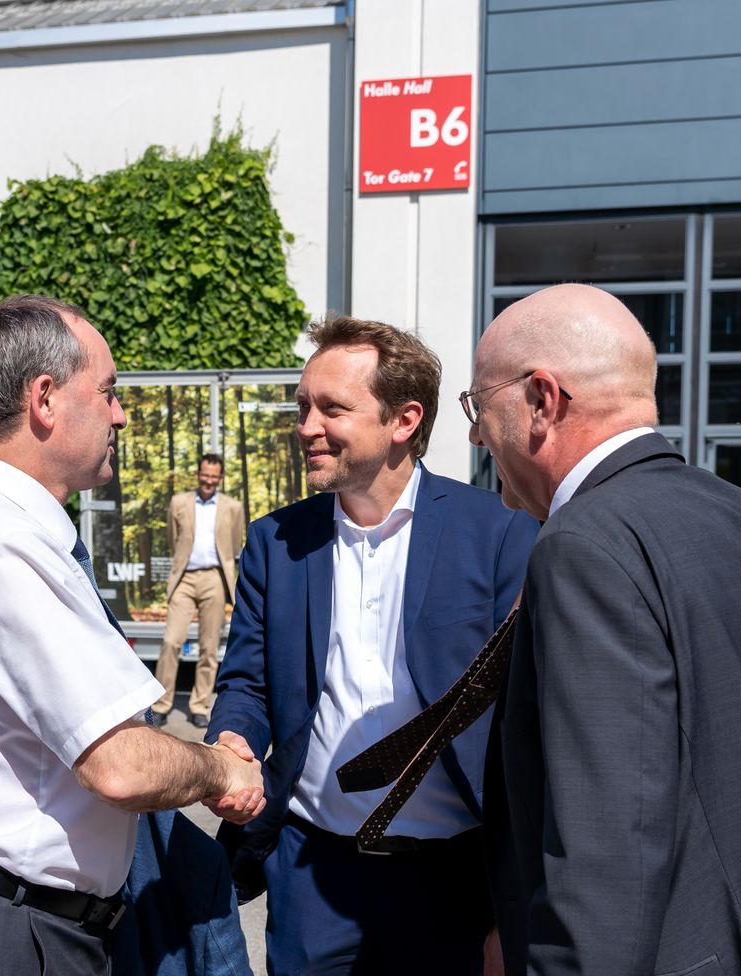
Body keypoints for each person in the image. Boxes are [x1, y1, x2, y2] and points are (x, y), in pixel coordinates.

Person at [0, 295, 264, 976]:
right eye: (106, 391)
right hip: (9, 933)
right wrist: (220, 769)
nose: (120, 413)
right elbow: (120, 766)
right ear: (45, 399)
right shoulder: (10, 545)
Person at [468, 283, 741, 975]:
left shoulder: (583, 543)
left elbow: (607, 840)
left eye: (479, 405)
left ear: (541, 400)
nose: (474, 433)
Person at [204, 314, 540, 975]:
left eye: (332, 408)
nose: (306, 427)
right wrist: (233, 736)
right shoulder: (277, 542)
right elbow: (248, 681)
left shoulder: (497, 531)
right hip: (311, 869)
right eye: (304, 407)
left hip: (451, 879)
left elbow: (525, 728)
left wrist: (515, 904)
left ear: (404, 420)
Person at [153, 454, 244, 729]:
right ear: (198, 474)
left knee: (208, 647)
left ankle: (200, 705)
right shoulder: (179, 503)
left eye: (214, 476)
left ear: (220, 478)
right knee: (171, 642)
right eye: (205, 474)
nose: (208, 480)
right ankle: (161, 704)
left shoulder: (233, 507)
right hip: (185, 579)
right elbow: (173, 539)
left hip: (214, 579)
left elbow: (235, 543)